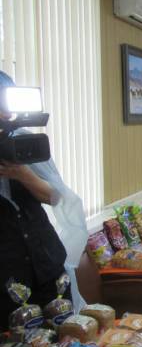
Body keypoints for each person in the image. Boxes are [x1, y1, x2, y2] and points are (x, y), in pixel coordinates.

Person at [0, 71, 88, 330]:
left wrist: (22, 174)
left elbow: (56, 197)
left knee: (66, 338)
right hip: (7, 281)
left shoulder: (24, 141)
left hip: (47, 266)